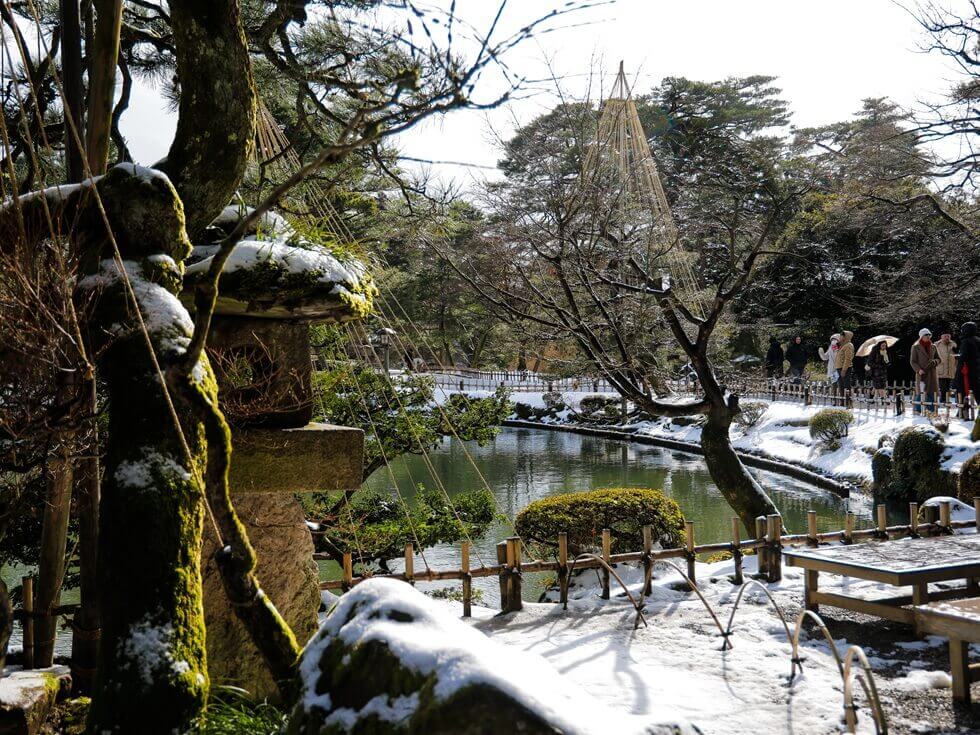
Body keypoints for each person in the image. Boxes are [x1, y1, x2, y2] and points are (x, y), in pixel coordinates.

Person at [910, 327, 940, 415]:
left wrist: (934, 362)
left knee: (932, 392)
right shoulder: (915, 347)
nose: (928, 336)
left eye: (929, 335)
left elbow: (939, 359)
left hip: (932, 373)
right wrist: (918, 370)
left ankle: (931, 410)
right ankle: (917, 410)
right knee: (921, 392)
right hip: (921, 373)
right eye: (926, 335)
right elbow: (913, 361)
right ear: (921, 336)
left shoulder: (933, 346)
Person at [956, 321, 980, 416]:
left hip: (966, 370)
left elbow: (964, 356)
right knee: (977, 390)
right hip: (977, 369)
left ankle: (962, 411)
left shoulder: (966, 341)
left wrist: (958, 357)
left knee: (962, 390)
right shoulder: (978, 340)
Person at [935, 332, 958, 405]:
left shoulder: (953, 344)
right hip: (941, 368)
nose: (947, 338)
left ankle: (946, 399)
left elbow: (956, 356)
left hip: (951, 368)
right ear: (941, 337)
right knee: (943, 387)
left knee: (948, 386)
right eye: (945, 336)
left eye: (948, 336)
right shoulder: (936, 345)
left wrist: (956, 364)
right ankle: (943, 400)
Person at [834, 330, 855, 406]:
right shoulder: (842, 345)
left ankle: (848, 401)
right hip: (839, 368)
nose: (840, 337)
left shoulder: (849, 345)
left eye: (842, 336)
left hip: (845, 368)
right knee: (841, 385)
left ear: (846, 337)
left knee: (846, 385)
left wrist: (844, 370)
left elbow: (848, 359)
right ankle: (842, 401)